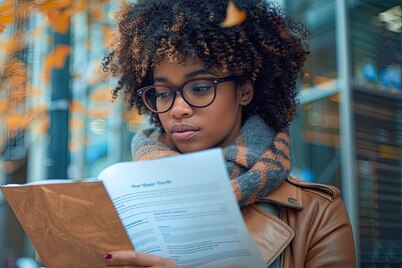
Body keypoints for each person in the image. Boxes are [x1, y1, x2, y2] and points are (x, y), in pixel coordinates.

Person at [100, 0, 356, 267]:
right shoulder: (123, 205)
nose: (177, 109)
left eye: (199, 88)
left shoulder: (318, 213)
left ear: (244, 91)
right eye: (164, 93)